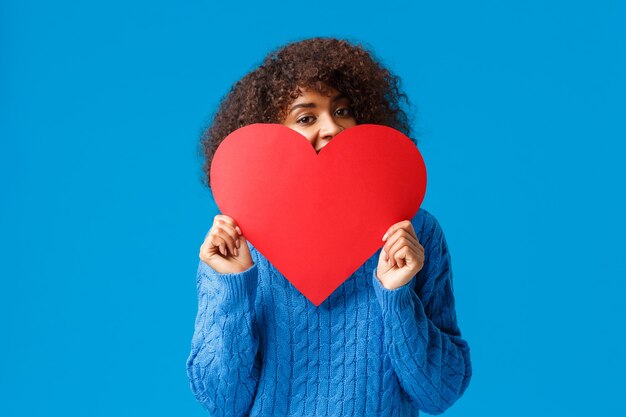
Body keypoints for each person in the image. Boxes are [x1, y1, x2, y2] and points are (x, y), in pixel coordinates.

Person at [186, 37, 472, 417]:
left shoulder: (414, 231)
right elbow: (222, 401)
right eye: (307, 117)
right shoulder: (236, 243)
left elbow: (440, 393)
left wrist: (397, 295)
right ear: (270, 133)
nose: (332, 128)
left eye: (344, 111)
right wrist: (235, 285)